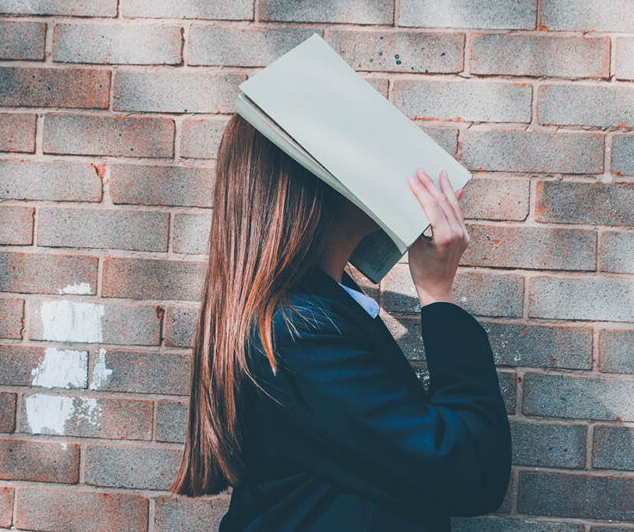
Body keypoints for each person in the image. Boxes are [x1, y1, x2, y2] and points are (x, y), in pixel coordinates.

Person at [169, 113, 512, 531]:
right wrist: (438, 295)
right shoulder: (300, 332)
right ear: (314, 182)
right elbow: (471, 470)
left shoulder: (318, 312)